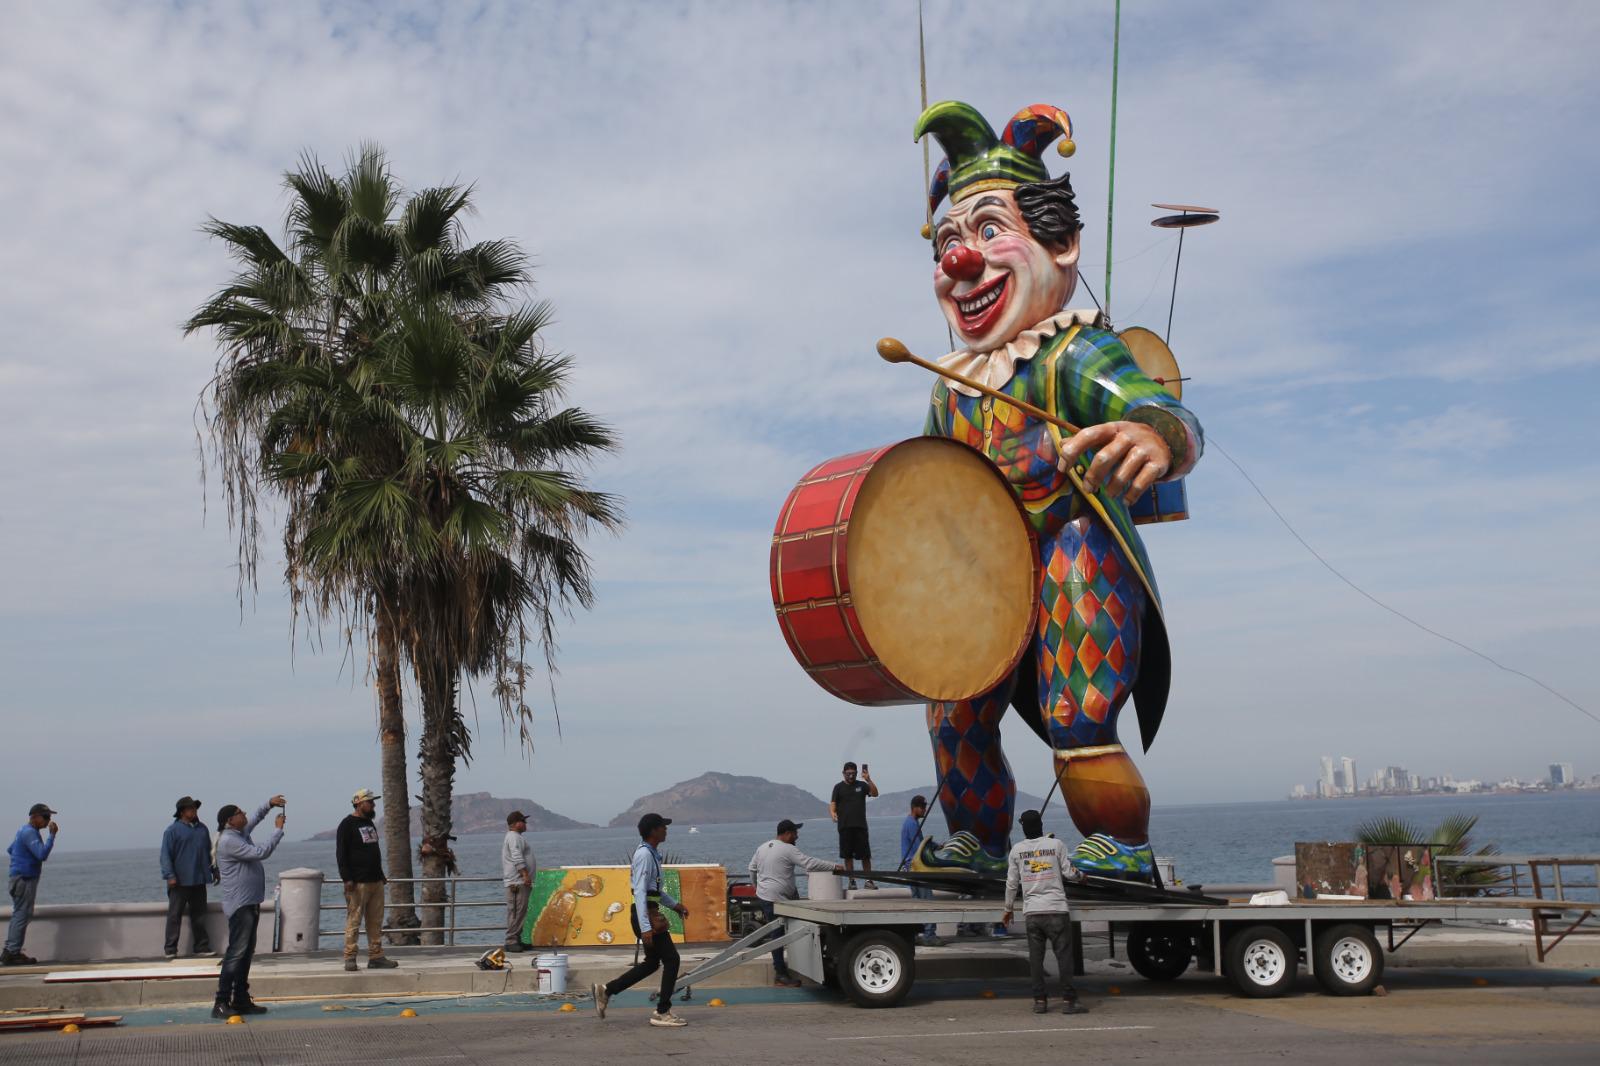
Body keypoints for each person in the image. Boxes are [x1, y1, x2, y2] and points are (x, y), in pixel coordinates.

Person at [912, 101, 1203, 882]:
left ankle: (1119, 844)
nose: (960, 262)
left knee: (1079, 707)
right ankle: (976, 838)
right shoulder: (949, 388)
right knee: (953, 707)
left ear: (1061, 243)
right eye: (947, 241)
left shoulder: (1073, 353)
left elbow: (1162, 409)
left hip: (1077, 548)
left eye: (986, 230)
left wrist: (1152, 436)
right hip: (989, 575)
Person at [591, 813, 689, 1028]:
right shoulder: (645, 855)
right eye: (663, 826)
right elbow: (640, 892)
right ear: (653, 830)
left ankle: (607, 990)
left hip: (648, 913)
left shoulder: (651, 854)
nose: (666, 829)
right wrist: (646, 926)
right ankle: (662, 1011)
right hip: (647, 915)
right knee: (672, 960)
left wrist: (675, 905)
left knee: (652, 963)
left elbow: (655, 891)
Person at [1002, 809, 1085, 1015]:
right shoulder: (1056, 845)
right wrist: (1082, 876)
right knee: (1064, 957)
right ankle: (1068, 1001)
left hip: (1032, 913)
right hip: (1056, 909)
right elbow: (1069, 872)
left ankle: (1040, 1001)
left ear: (1023, 828)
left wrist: (1008, 909)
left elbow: (1012, 883)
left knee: (1036, 959)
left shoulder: (1017, 851)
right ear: (1041, 825)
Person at [747, 819, 843, 986]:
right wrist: (833, 866)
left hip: (766, 897)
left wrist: (757, 888)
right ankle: (781, 973)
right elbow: (809, 863)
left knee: (779, 932)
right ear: (787, 834)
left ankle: (787, 968)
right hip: (778, 899)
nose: (797, 836)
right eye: (795, 833)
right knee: (779, 935)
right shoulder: (788, 849)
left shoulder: (762, 847)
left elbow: (751, 869)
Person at [213, 796, 284, 1019]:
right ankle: (221, 1002)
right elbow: (261, 852)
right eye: (239, 812)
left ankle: (241, 999)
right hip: (240, 905)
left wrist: (268, 805)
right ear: (229, 821)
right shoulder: (229, 841)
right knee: (236, 954)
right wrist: (277, 831)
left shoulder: (239, 833)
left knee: (245, 953)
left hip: (250, 902)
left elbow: (254, 819)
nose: (244, 813)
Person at [336, 788, 396, 973]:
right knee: (354, 920)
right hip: (358, 882)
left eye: (373, 802)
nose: (373, 804)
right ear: (359, 803)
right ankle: (350, 957)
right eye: (370, 802)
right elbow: (341, 854)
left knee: (375, 921)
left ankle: (376, 956)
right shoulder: (347, 824)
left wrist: (381, 874)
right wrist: (347, 878)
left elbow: (372, 851)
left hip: (375, 880)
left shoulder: (369, 823)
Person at [3, 803, 58, 966]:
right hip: (24, 879)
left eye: (50, 817)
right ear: (34, 817)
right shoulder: (29, 833)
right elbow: (42, 854)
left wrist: (20, 861)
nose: (49, 821)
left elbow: (11, 849)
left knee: (20, 914)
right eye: (46, 817)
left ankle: (10, 951)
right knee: (21, 915)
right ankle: (12, 952)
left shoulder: (23, 831)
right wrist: (52, 836)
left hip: (19, 878)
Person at [160, 796, 213, 958]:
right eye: (191, 809)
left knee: (200, 915)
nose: (194, 811)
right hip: (179, 881)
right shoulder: (171, 831)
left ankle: (201, 947)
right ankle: (170, 949)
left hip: (199, 879)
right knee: (175, 915)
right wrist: (170, 876)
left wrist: (214, 870)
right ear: (182, 812)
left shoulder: (203, 829)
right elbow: (165, 855)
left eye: (195, 808)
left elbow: (210, 852)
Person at [899, 796, 941, 946]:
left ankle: (917, 934)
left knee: (917, 902)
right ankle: (929, 935)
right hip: (916, 867)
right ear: (915, 807)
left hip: (909, 868)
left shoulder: (911, 823)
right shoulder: (912, 824)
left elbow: (922, 843)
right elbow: (920, 849)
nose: (925, 810)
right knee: (927, 901)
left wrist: (936, 846)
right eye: (922, 807)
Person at [828, 762, 878, 889]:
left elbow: (875, 793)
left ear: (857, 773)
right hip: (844, 827)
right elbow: (833, 803)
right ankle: (852, 881)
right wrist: (833, 813)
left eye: (853, 773)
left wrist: (868, 779)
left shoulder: (862, 785)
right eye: (848, 773)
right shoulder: (838, 787)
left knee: (865, 856)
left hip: (860, 826)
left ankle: (869, 881)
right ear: (843, 773)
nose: (851, 776)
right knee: (847, 856)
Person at [502, 810, 535, 952]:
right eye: (523, 821)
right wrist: (525, 875)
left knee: (520, 911)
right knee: (516, 911)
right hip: (517, 882)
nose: (526, 824)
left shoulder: (516, 837)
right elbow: (516, 856)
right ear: (516, 824)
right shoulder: (513, 837)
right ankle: (511, 940)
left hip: (520, 882)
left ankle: (517, 938)